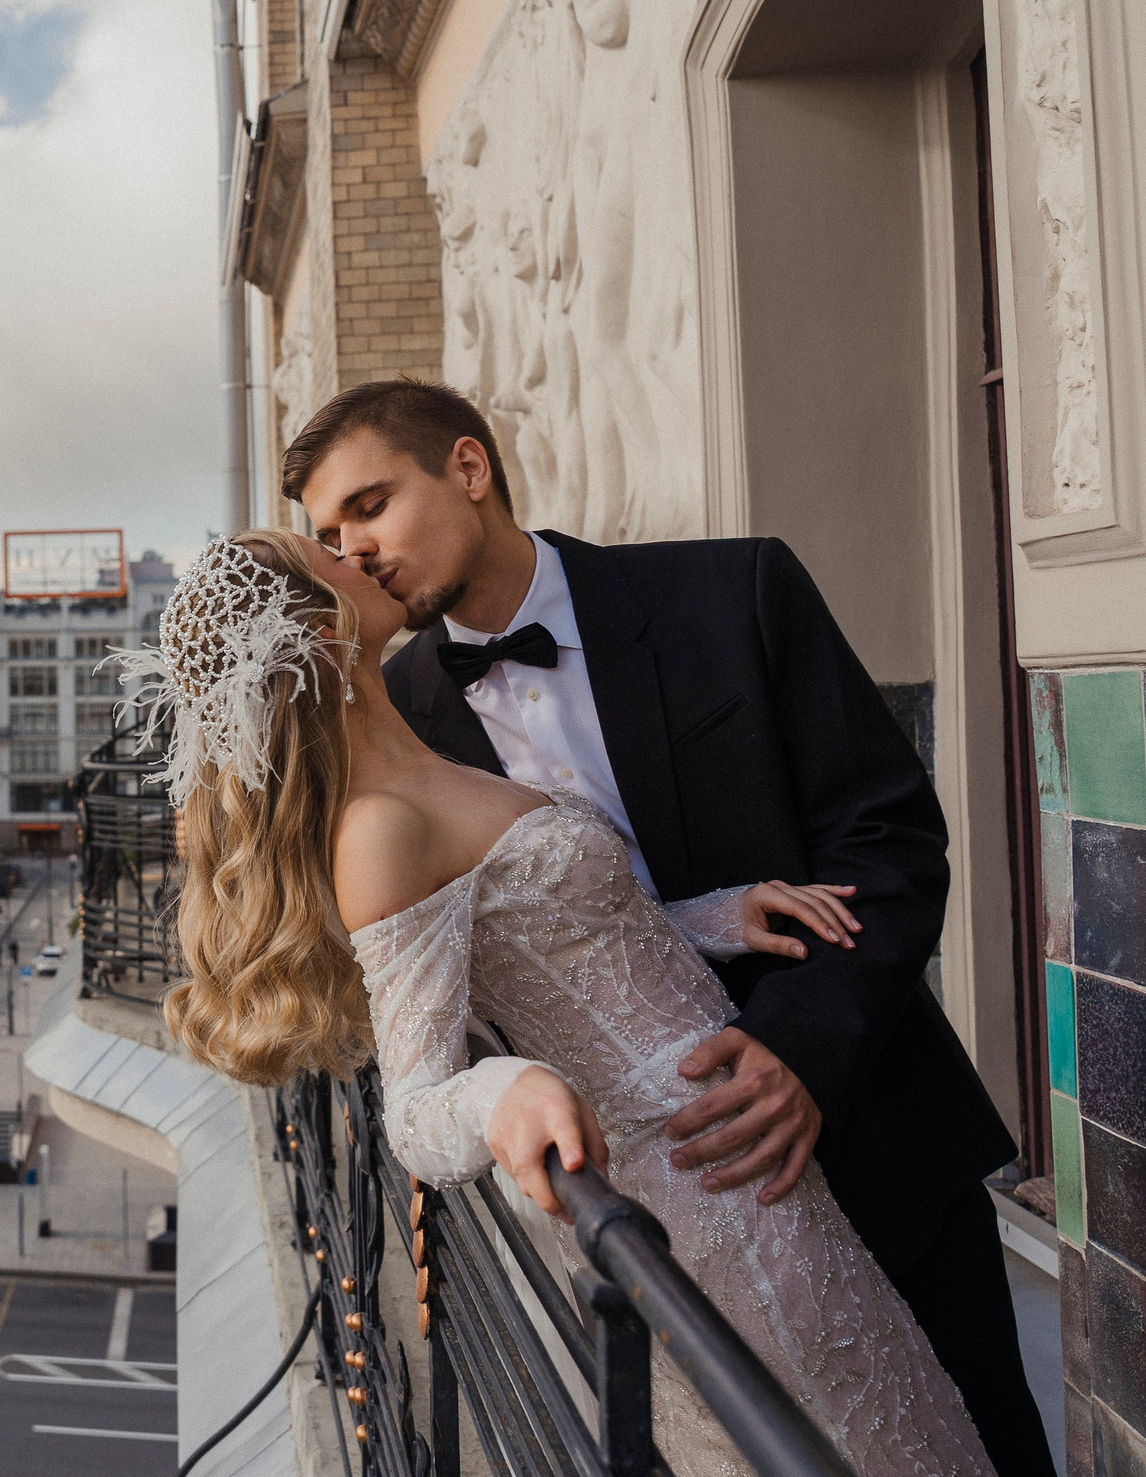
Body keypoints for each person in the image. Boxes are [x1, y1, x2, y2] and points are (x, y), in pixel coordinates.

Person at [123, 527, 1001, 1477]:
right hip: (685, 1186)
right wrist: (507, 1090)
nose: (357, 552)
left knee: (896, 1429)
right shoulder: (380, 828)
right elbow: (416, 1110)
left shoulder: (424, 763)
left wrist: (721, 916)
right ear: (312, 627)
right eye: (325, 552)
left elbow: (566, 933)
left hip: (747, 1158)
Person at [286, 380, 1048, 1474]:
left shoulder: (728, 588)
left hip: (873, 1127)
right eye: (326, 534)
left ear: (466, 467)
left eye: (369, 504)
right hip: (661, 1228)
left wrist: (801, 1047)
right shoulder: (393, 715)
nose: (353, 550)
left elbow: (886, 841)